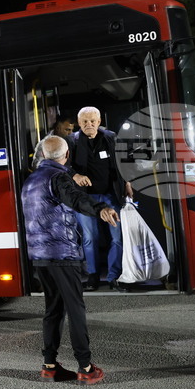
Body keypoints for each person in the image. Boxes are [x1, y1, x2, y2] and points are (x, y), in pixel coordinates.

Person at [22, 135, 119, 385]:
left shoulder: (31, 179)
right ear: (66, 157)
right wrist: (100, 209)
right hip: (62, 254)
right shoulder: (59, 177)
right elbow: (75, 199)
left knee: (53, 310)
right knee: (75, 309)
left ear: (43, 155)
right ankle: (85, 367)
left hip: (40, 257)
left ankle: (50, 366)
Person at [67, 106, 133, 291]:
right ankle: (93, 276)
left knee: (117, 238)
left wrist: (127, 182)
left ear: (99, 122)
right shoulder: (71, 141)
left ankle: (114, 276)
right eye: (85, 122)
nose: (89, 124)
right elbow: (63, 166)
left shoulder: (111, 137)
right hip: (85, 198)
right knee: (90, 238)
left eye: (92, 121)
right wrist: (75, 176)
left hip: (110, 195)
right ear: (79, 124)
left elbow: (122, 161)